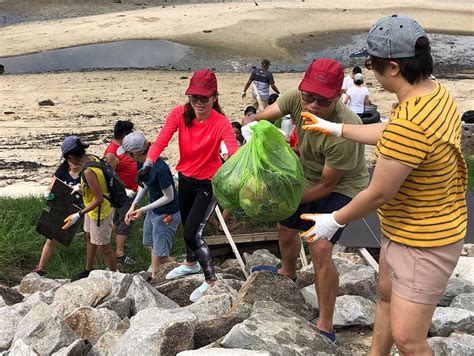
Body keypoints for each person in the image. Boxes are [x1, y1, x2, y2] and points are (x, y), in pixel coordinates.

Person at [300, 15, 466, 355]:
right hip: (412, 226)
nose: (371, 71)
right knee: (386, 293)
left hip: (425, 240)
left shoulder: (411, 121)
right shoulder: (434, 95)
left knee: (409, 340)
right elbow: (392, 134)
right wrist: (336, 129)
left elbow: (378, 192)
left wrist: (333, 220)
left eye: (372, 63)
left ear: (392, 67)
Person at [255, 58, 369, 343]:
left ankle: (326, 324)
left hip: (344, 186)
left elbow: (326, 186)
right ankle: (287, 271)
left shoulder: (346, 128)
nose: (313, 106)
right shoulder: (295, 98)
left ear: (337, 98)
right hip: (306, 175)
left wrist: (285, 199)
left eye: (323, 101)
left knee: (319, 246)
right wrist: (252, 133)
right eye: (309, 97)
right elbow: (263, 119)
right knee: (285, 227)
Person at [136, 69, 238, 302]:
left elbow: (232, 150)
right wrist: (149, 163)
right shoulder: (179, 114)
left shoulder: (221, 122)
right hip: (185, 178)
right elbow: (162, 139)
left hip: (209, 183)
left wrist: (238, 167)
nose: (199, 102)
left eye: (204, 97)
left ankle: (210, 279)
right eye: (194, 97)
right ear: (189, 97)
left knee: (193, 232)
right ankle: (191, 263)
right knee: (186, 225)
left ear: (214, 97)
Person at [122, 132, 180, 280]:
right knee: (150, 243)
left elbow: (169, 196)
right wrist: (134, 205)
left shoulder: (160, 169)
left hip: (167, 213)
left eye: (127, 154)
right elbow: (145, 183)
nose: (125, 157)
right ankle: (155, 275)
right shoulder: (143, 162)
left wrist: (142, 209)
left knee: (161, 255)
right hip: (154, 209)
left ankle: (188, 269)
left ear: (134, 153)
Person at [61, 136, 117, 281]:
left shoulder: (88, 171)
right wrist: (80, 188)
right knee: (89, 238)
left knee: (105, 247)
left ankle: (116, 277)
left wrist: (78, 215)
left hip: (100, 212)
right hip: (91, 209)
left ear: (71, 156)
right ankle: (88, 270)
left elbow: (98, 199)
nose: (68, 162)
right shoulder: (92, 158)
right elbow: (98, 184)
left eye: (67, 158)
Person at [32, 149, 85, 276]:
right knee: (51, 238)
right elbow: (51, 187)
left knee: (90, 238)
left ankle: (92, 267)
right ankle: (40, 268)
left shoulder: (86, 172)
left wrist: (81, 190)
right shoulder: (62, 171)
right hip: (62, 208)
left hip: (82, 209)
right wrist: (48, 194)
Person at [104, 120, 138, 266]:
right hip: (123, 193)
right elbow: (108, 176)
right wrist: (124, 190)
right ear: (124, 135)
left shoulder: (124, 148)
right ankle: (120, 253)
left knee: (118, 221)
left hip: (133, 189)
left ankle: (114, 244)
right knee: (126, 220)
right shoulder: (111, 153)